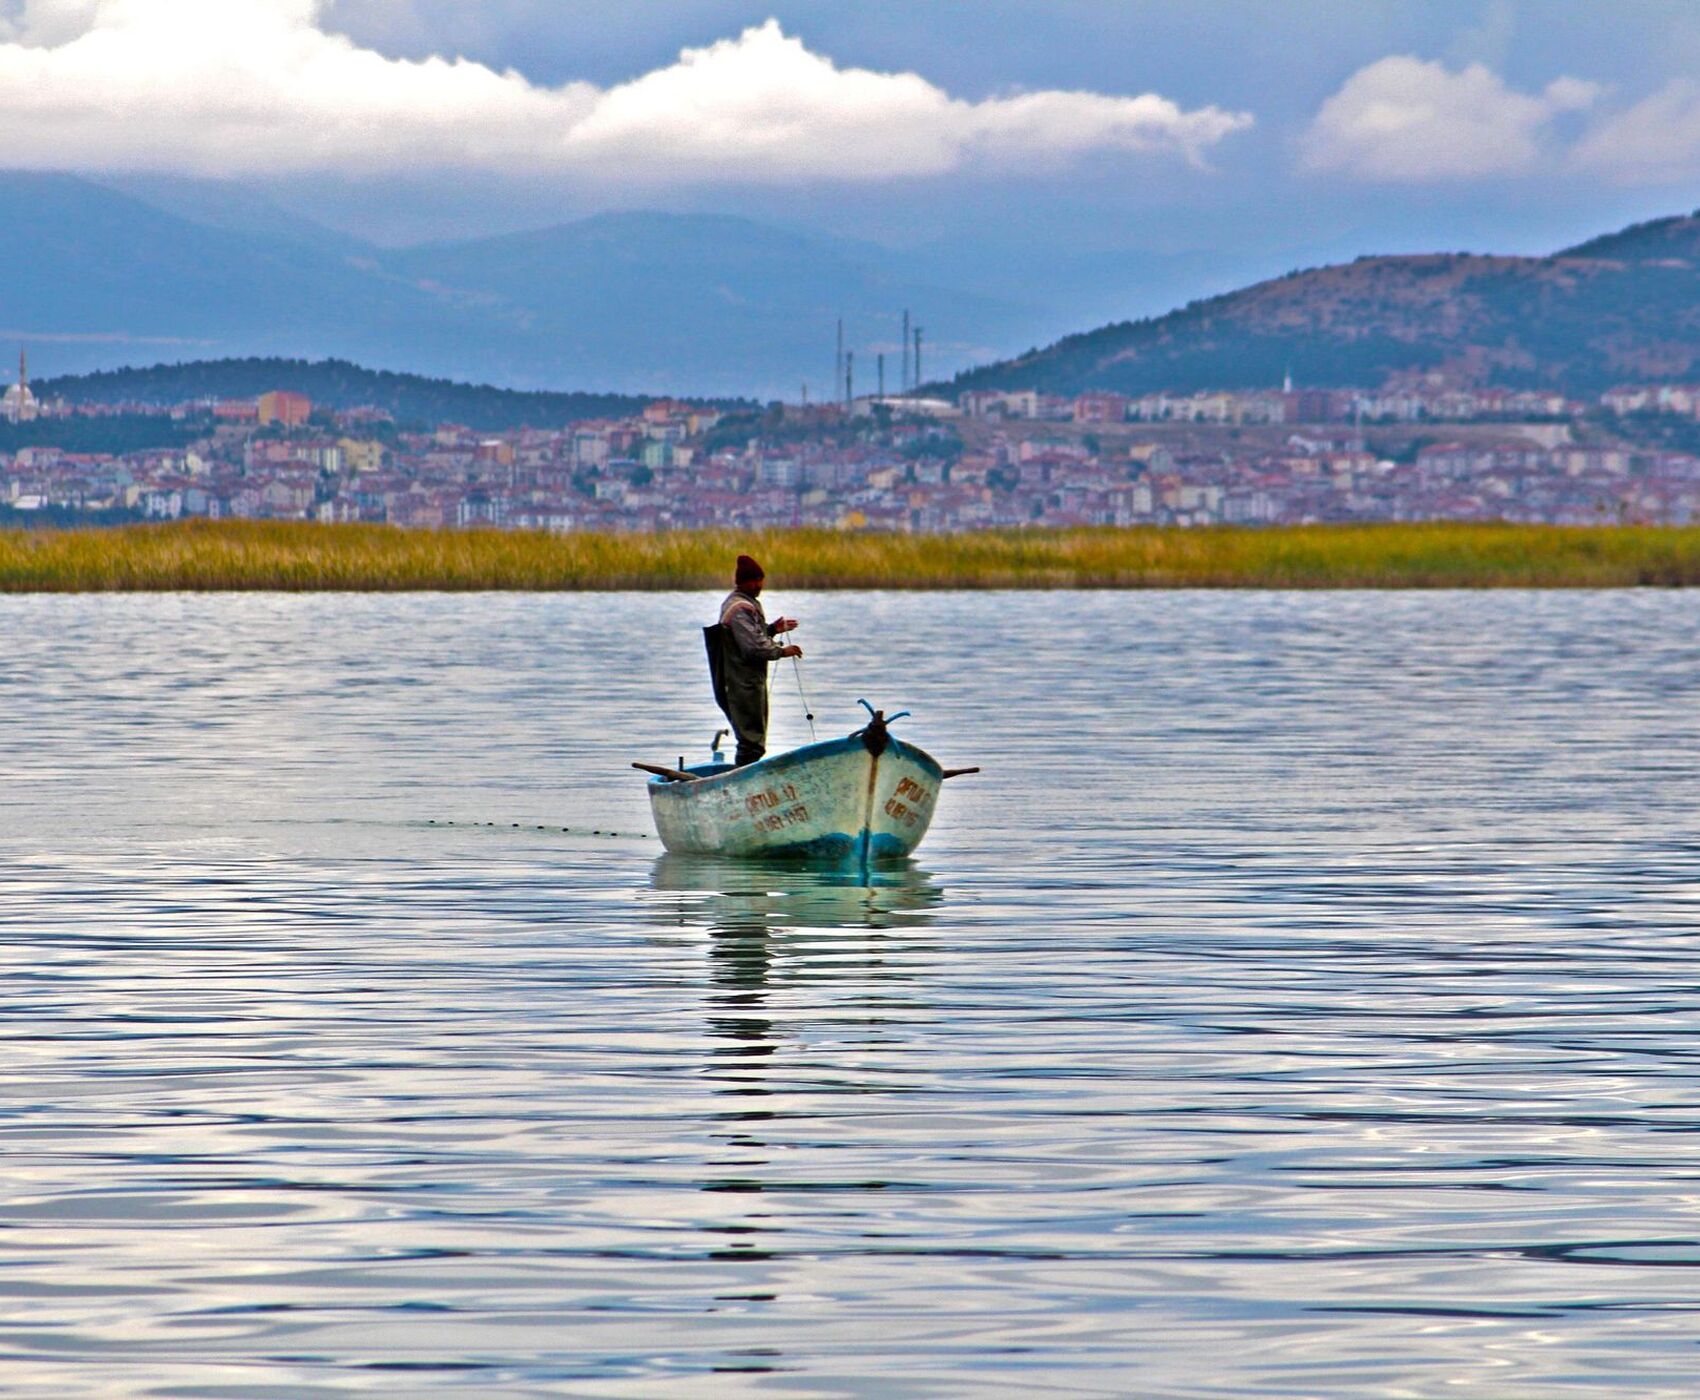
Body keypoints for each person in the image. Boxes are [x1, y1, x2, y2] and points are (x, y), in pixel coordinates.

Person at [715, 554, 801, 767]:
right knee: (751, 743)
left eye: (760, 579)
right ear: (742, 582)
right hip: (741, 684)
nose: (759, 585)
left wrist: (772, 629)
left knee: (752, 741)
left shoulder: (744, 603)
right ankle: (742, 784)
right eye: (754, 580)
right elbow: (753, 648)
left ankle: (742, 779)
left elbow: (752, 636)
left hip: (746, 682)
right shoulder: (739, 608)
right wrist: (783, 651)